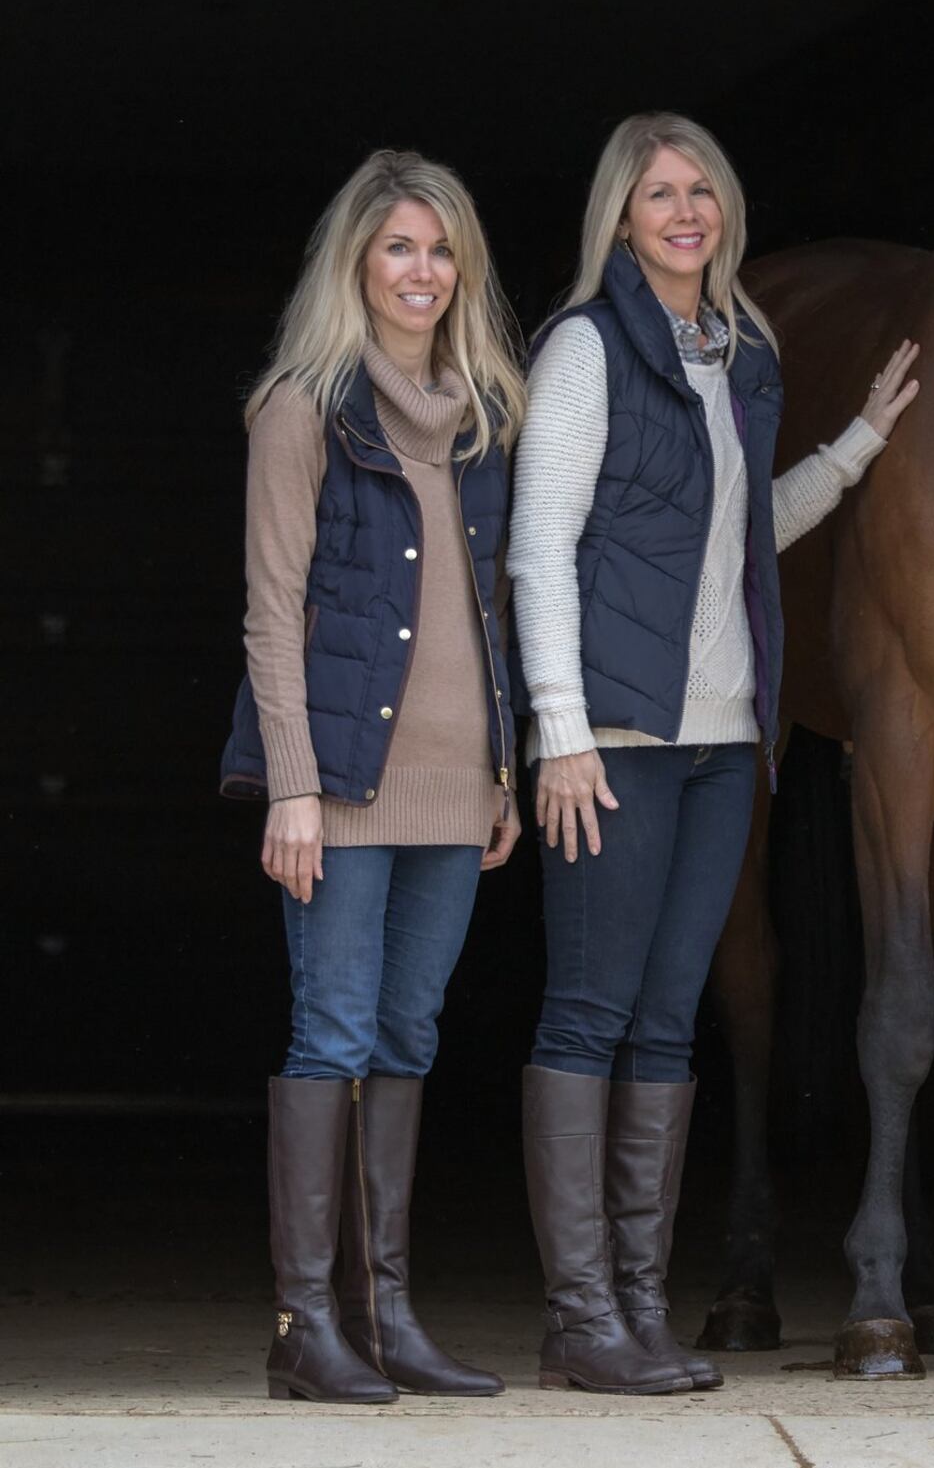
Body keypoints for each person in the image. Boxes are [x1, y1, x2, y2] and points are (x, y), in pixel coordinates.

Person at [507, 112, 918, 1394]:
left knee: (672, 1019)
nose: (684, 211)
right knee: (591, 1006)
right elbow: (537, 546)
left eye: (701, 191)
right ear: (619, 218)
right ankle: (580, 1316)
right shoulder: (585, 347)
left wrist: (854, 450)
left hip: (722, 741)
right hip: (617, 739)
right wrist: (562, 730)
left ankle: (637, 1305)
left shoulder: (736, 349)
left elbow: (743, 535)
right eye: (656, 193)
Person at [221, 150, 525, 1403]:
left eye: (441, 248)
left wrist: (505, 772)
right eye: (399, 246)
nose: (422, 270)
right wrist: (290, 782)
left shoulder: (483, 415)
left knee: (406, 1034)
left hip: (459, 789)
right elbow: (271, 605)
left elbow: (491, 609)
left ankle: (385, 1314)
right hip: (341, 785)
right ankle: (306, 1324)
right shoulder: (303, 406)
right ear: (357, 261)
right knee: (333, 1031)